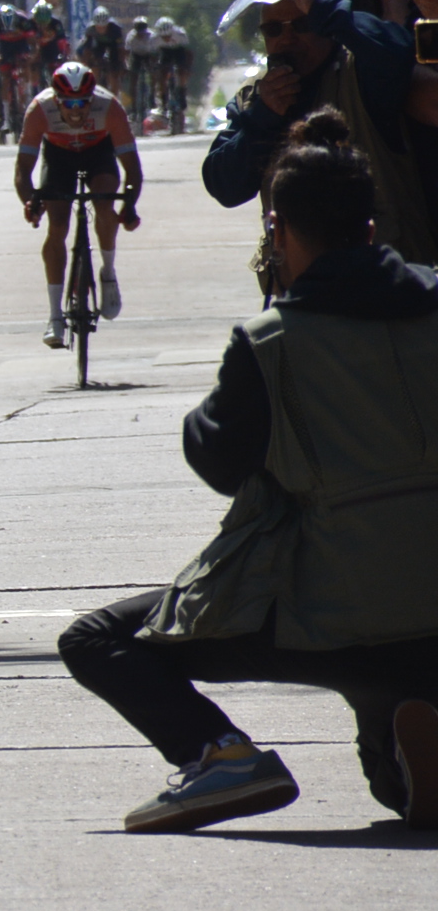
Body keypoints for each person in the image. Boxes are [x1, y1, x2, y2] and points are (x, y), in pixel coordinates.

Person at [59, 111, 438, 832]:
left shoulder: (270, 344)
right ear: (370, 224)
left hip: (331, 616)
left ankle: (222, 755)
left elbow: (218, 460)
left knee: (97, 640)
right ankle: (406, 720)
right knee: (395, 770)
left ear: (280, 231)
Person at [205, 0, 438, 266]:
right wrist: (262, 118)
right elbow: (224, 185)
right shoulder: (257, 95)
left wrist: (325, 7)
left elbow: (396, 56)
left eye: (301, 25)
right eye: (274, 29)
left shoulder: (358, 71)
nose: (287, 39)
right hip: (302, 290)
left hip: (384, 281)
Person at [16, 60, 143, 344]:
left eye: (83, 104)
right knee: (57, 226)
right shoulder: (39, 110)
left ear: (92, 99)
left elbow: (132, 169)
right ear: (56, 100)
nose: (77, 111)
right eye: (68, 105)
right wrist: (31, 202)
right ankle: (54, 315)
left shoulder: (109, 108)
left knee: (105, 202)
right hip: (58, 156)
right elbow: (23, 169)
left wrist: (130, 204)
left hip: (98, 153)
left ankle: (108, 272)